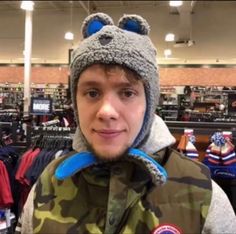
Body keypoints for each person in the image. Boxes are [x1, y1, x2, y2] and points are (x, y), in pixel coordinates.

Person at [16, 13, 236, 234]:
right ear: (75, 101)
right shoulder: (47, 184)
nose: (107, 111)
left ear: (149, 103)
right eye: (92, 93)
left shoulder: (203, 195)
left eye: (127, 93)